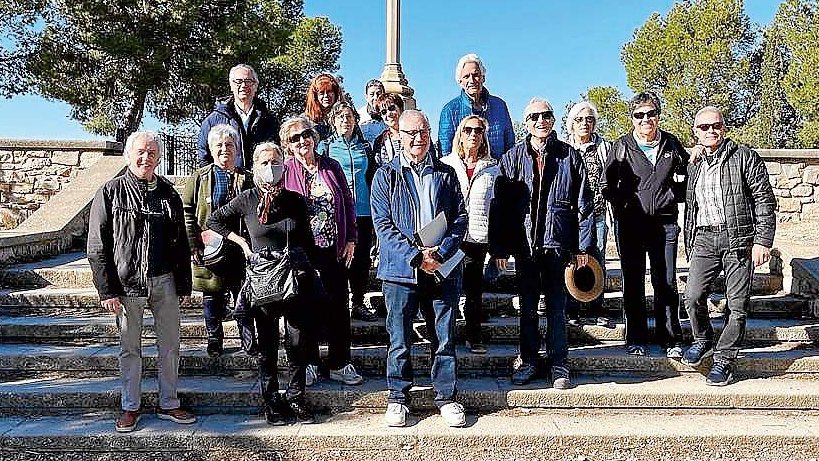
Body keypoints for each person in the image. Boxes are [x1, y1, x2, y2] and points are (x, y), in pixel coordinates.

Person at [87, 131, 196, 433]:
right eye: (140, 151)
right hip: (127, 285)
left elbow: (181, 244)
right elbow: (97, 245)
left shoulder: (169, 194)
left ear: (158, 157)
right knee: (130, 348)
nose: (145, 157)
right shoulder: (109, 192)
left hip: (165, 282)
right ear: (128, 154)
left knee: (170, 345)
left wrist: (184, 285)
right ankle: (130, 406)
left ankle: (169, 402)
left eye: (151, 152)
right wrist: (106, 289)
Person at [207, 142, 318, 425]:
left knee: (297, 342)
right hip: (263, 279)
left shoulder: (295, 200)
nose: (271, 167)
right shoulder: (247, 199)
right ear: (255, 166)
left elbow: (307, 239)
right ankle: (271, 401)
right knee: (267, 346)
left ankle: (296, 396)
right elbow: (214, 220)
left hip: (293, 279)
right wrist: (242, 242)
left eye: (276, 161)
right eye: (265, 162)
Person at [371, 110, 468, 428]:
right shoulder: (386, 175)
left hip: (442, 268)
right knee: (399, 339)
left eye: (423, 131)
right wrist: (416, 256)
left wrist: (439, 252)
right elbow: (383, 226)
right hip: (401, 272)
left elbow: (460, 219)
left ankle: (446, 397)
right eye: (411, 132)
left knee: (443, 337)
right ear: (398, 135)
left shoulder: (447, 173)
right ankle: (398, 397)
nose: (418, 138)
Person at [489, 98, 593, 390]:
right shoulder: (511, 159)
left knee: (557, 308)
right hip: (525, 247)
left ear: (553, 120)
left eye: (546, 115)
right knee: (528, 308)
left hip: (558, 245)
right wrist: (499, 249)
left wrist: (582, 247)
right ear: (526, 122)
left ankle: (559, 363)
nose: (541, 121)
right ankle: (530, 360)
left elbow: (583, 204)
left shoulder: (569, 156)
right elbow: (500, 208)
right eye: (534, 116)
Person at [681, 106, 776, 386]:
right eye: (704, 127)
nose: (711, 131)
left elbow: (764, 200)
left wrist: (762, 241)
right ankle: (703, 339)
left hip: (737, 239)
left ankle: (724, 358)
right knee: (692, 296)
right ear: (695, 132)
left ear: (724, 127)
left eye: (716, 125)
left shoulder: (744, 157)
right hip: (704, 238)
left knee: (736, 305)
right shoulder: (695, 163)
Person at [602, 91, 688, 358]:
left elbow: (688, 175)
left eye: (650, 114)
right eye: (639, 115)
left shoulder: (671, 144)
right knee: (633, 282)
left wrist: (675, 194)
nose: (645, 120)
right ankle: (636, 337)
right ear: (632, 119)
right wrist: (623, 208)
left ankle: (670, 337)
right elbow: (606, 185)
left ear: (658, 116)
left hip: (665, 225)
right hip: (631, 226)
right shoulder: (622, 146)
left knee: (666, 282)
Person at [281, 115, 365, 387]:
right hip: (302, 252)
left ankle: (340, 362)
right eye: (295, 138)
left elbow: (348, 202)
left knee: (338, 305)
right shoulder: (285, 170)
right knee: (305, 309)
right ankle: (310, 362)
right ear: (288, 144)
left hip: (333, 248)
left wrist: (351, 237)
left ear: (314, 137)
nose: (302, 140)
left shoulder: (331, 166)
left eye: (306, 134)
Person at [183, 124, 254, 357]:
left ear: (237, 149)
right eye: (219, 145)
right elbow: (187, 212)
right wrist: (193, 244)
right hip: (210, 246)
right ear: (211, 149)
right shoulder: (200, 177)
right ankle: (215, 339)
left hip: (240, 248)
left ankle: (248, 341)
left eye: (230, 144)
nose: (225, 149)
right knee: (212, 296)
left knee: (243, 297)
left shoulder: (248, 178)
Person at [440, 115, 499, 354]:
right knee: (447, 288)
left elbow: (496, 207)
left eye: (478, 130)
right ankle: (445, 336)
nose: (473, 134)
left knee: (474, 289)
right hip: (450, 235)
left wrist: (496, 246)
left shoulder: (493, 168)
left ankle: (474, 335)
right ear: (460, 134)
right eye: (468, 130)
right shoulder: (445, 164)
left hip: (477, 235)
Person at [322, 101, 380, 322]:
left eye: (349, 116)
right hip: (337, 211)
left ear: (356, 120)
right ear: (333, 121)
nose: (345, 120)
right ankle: (337, 301)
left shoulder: (364, 147)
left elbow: (372, 176)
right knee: (338, 257)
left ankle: (357, 301)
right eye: (340, 117)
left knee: (362, 258)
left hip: (363, 210)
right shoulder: (326, 147)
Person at [565, 101, 614, 328]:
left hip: (597, 213)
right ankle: (571, 308)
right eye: (580, 119)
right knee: (570, 260)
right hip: (569, 216)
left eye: (590, 119)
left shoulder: (605, 147)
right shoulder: (564, 148)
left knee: (597, 259)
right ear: (571, 123)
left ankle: (597, 308)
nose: (585, 123)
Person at [197, 64, 280, 169]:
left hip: (260, 182)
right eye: (238, 81)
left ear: (256, 86)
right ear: (231, 85)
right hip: (226, 182)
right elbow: (203, 157)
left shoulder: (269, 121)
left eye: (248, 81)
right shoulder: (213, 121)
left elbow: (278, 154)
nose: (244, 85)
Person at [438, 53, 515, 160]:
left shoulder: (500, 106)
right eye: (466, 76)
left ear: (483, 77)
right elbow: (445, 152)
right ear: (460, 81)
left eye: (475, 75)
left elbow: (510, 144)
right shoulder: (450, 110)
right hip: (463, 174)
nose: (471, 80)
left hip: (499, 171)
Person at [304, 73, 343, 141]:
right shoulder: (306, 120)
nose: (326, 96)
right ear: (315, 96)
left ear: (335, 94)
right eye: (321, 93)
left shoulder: (346, 116)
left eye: (329, 91)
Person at [371, 92, 405, 166]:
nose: (388, 114)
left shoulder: (416, 133)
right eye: (384, 112)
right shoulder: (380, 141)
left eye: (391, 108)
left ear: (400, 108)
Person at [359, 79, 388, 145]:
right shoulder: (359, 116)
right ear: (366, 97)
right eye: (372, 94)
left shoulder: (390, 114)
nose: (376, 97)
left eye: (379, 93)